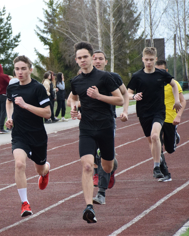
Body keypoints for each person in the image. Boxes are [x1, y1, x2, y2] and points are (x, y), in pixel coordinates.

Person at [69, 42, 124, 223]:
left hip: (106, 127)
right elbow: (74, 98)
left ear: (92, 57)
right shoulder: (76, 81)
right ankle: (89, 207)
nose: (83, 60)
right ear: (76, 60)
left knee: (107, 167)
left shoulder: (105, 77)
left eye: (86, 56)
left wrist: (99, 96)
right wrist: (74, 108)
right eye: (79, 58)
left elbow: (119, 99)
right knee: (86, 166)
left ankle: (111, 164)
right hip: (86, 128)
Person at [5, 55, 51, 217]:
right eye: (17, 69)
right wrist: (9, 117)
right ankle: (25, 203)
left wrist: (25, 105)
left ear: (30, 70)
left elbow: (47, 113)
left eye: (23, 68)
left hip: (37, 137)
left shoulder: (38, 88)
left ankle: (45, 171)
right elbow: (9, 102)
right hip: (19, 135)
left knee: (40, 168)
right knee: (19, 164)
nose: (20, 72)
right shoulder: (12, 87)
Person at [127, 47, 182, 179]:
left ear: (155, 59)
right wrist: (134, 97)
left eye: (151, 60)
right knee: (152, 142)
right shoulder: (137, 76)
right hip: (143, 113)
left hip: (158, 111)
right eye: (146, 60)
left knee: (155, 136)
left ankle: (156, 166)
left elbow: (174, 84)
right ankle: (160, 163)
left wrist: (176, 101)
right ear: (142, 59)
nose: (149, 62)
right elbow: (127, 93)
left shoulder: (161, 74)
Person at [91, 50, 129, 205]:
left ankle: (101, 193)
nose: (98, 61)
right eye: (95, 59)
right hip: (88, 123)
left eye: (101, 59)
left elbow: (125, 94)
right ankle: (111, 166)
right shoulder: (83, 77)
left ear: (106, 62)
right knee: (92, 156)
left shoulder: (112, 77)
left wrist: (125, 111)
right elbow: (75, 98)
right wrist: (77, 110)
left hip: (107, 122)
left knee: (101, 156)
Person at [155, 60, 187, 182]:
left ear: (166, 71)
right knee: (156, 145)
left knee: (170, 149)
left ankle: (175, 136)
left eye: (162, 70)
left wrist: (178, 116)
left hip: (170, 118)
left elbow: (183, 101)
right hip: (157, 118)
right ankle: (165, 173)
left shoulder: (174, 84)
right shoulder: (152, 84)